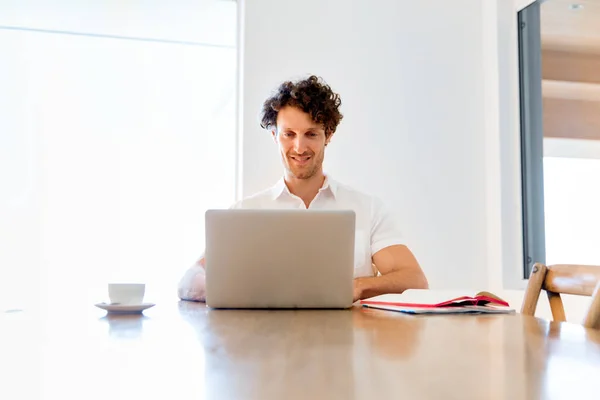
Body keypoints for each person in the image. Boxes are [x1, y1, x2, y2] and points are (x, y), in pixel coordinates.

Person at [178, 75, 428, 303]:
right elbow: (190, 280)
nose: (299, 147)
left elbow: (414, 280)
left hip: (349, 344)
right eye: (289, 134)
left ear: (328, 135)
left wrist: (356, 287)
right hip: (265, 344)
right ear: (274, 135)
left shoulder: (368, 209)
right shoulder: (243, 213)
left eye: (311, 134)